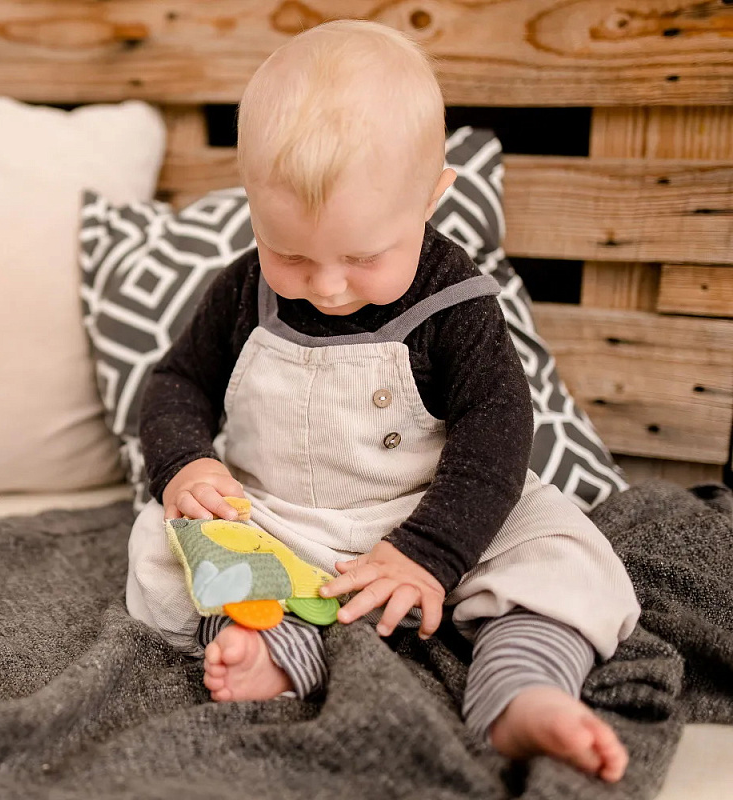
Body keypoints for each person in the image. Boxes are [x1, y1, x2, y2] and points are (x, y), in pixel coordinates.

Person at [126, 19, 640, 782]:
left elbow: (497, 435)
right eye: (290, 253)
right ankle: (274, 645)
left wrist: (429, 552)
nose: (328, 285)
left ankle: (522, 690)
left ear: (432, 198)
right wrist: (186, 464)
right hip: (284, 520)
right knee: (170, 546)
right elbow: (178, 382)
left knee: (562, 559)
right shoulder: (242, 290)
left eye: (364, 256)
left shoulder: (455, 305)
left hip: (439, 515)